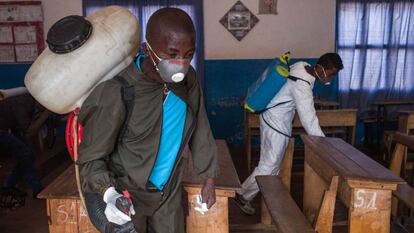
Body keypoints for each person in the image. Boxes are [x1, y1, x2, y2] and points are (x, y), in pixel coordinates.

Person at [77, 8, 219, 233]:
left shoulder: (188, 81)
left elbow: (200, 124)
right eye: (171, 55)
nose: (180, 64)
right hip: (127, 194)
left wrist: (209, 177)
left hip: (169, 191)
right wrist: (109, 192)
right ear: (146, 49)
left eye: (188, 54)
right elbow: (90, 159)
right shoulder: (118, 92)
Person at [235, 53, 343, 215]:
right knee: (269, 165)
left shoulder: (301, 66)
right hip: (276, 124)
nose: (331, 78)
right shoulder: (302, 85)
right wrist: (324, 144)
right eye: (331, 73)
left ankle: (263, 197)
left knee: (271, 164)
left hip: (271, 118)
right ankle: (242, 195)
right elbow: (309, 120)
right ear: (320, 68)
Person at [0, 93, 51, 199]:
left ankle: (8, 185)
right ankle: (37, 189)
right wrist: (46, 114)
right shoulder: (22, 104)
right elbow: (28, 132)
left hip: (8, 128)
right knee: (26, 154)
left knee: (28, 155)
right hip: (2, 131)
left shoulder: (29, 103)